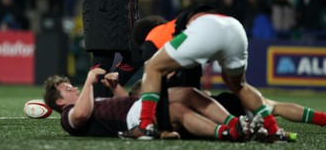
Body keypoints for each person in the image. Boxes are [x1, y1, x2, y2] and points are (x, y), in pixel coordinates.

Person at [123, 5, 294, 143]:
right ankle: (274, 130)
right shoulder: (179, 34)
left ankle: (144, 126)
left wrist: (165, 126)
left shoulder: (155, 35)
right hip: (235, 28)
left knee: (152, 67)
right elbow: (191, 85)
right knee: (240, 86)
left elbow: (156, 76)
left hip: (207, 27)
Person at [43, 68, 248, 141]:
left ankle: (234, 123)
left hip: (138, 106)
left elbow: (126, 101)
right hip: (134, 120)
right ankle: (226, 132)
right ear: (60, 101)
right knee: (177, 110)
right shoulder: (67, 115)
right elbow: (81, 116)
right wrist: (89, 80)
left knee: (189, 93)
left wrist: (115, 88)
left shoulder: (90, 101)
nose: (75, 89)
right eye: (68, 89)